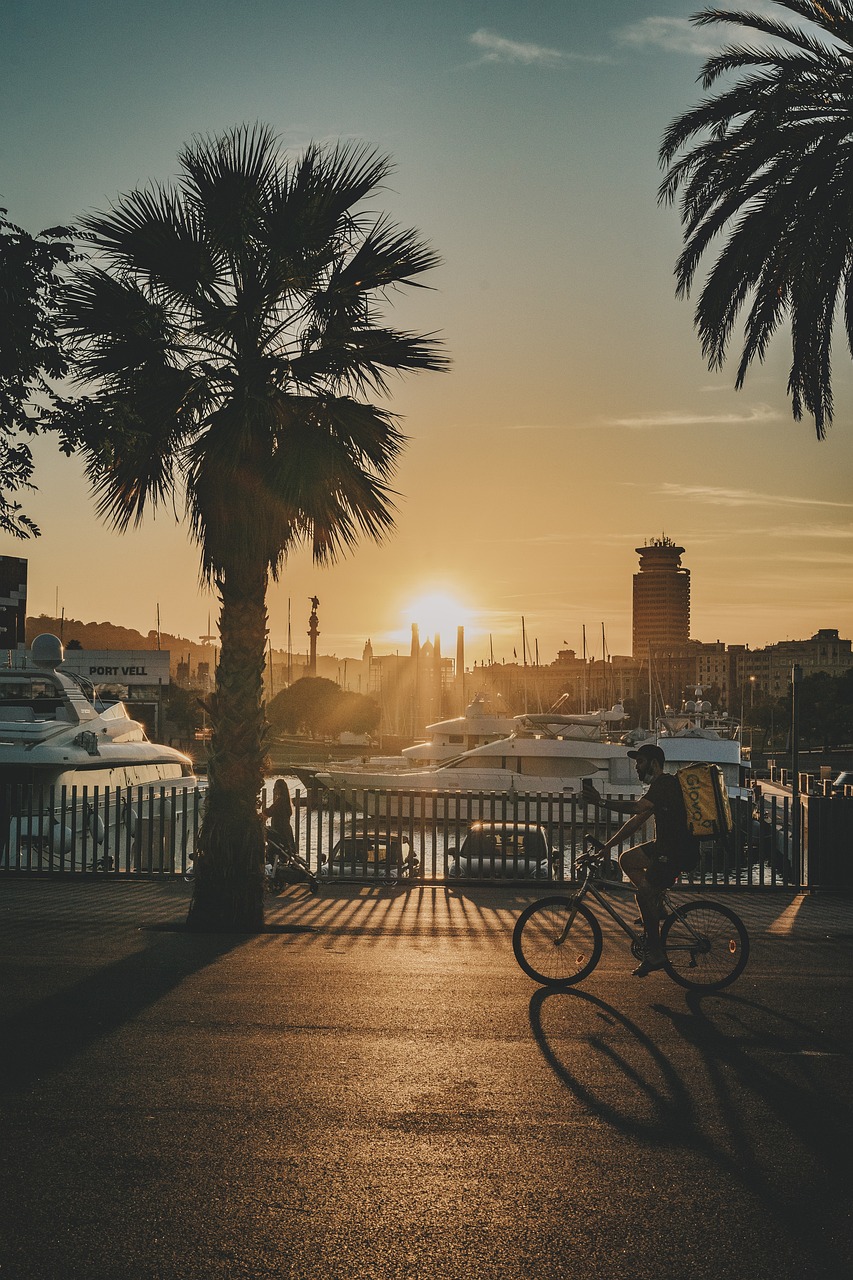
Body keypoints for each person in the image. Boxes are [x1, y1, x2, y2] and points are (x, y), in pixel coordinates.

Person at [582, 743, 699, 977]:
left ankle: (655, 954)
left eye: (640, 762)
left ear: (654, 764)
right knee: (627, 860)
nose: (637, 767)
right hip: (664, 848)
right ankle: (657, 904)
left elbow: (636, 808)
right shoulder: (659, 788)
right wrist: (608, 847)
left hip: (673, 852)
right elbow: (635, 822)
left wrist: (601, 802)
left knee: (642, 894)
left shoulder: (664, 784)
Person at [264, 778, 296, 856]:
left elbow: (269, 812)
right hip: (286, 830)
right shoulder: (286, 801)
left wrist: (261, 810)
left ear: (280, 789)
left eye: (275, 787)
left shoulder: (280, 800)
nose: (274, 790)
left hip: (279, 831)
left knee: (275, 851)